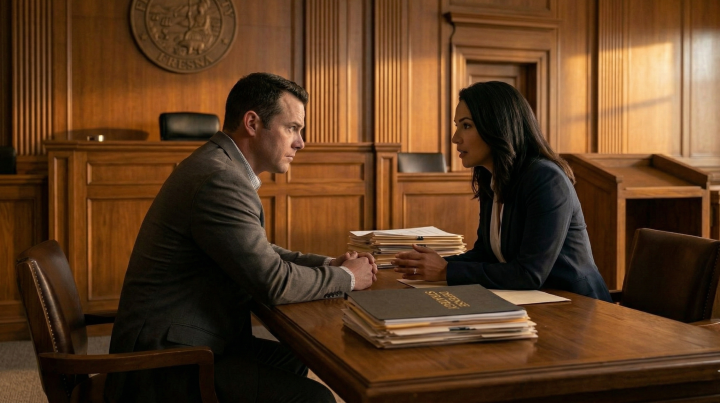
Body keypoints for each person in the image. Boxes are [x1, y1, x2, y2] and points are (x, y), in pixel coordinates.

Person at [105, 73, 377, 403]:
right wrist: (346, 277)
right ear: (252, 123)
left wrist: (328, 264)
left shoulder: (220, 165)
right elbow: (273, 282)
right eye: (292, 128)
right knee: (315, 399)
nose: (300, 142)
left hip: (186, 337)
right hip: (165, 361)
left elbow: (259, 252)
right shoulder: (221, 179)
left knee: (291, 358)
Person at [393, 81, 612, 302]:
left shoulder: (546, 179)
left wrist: (445, 271)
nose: (455, 138)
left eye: (466, 126)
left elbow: (529, 274)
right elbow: (486, 254)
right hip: (536, 302)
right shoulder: (492, 176)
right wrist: (429, 264)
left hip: (578, 307)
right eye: (457, 125)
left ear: (497, 127)